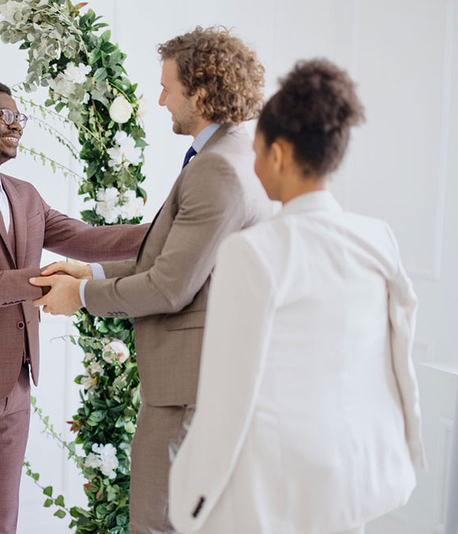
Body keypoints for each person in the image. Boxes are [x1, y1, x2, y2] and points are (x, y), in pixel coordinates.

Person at [168, 59, 426, 534]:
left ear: (280, 155)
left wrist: (190, 503)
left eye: (259, 152)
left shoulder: (254, 251)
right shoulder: (377, 238)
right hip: (348, 478)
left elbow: (227, 400)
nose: (255, 164)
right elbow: (397, 361)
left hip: (271, 489)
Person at [30, 27, 272, 533]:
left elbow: (170, 287)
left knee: (156, 522)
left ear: (201, 92)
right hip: (200, 378)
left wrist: (82, 294)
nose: (160, 100)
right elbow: (175, 259)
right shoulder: (233, 155)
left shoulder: (217, 169)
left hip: (189, 387)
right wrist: (90, 269)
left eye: (168, 88)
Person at [0, 79, 148, 534]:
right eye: (6, 115)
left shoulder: (25, 194)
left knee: (2, 522)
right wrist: (41, 281)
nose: (18, 125)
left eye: (21, 117)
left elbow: (86, 238)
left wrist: (167, 228)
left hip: (16, 385)